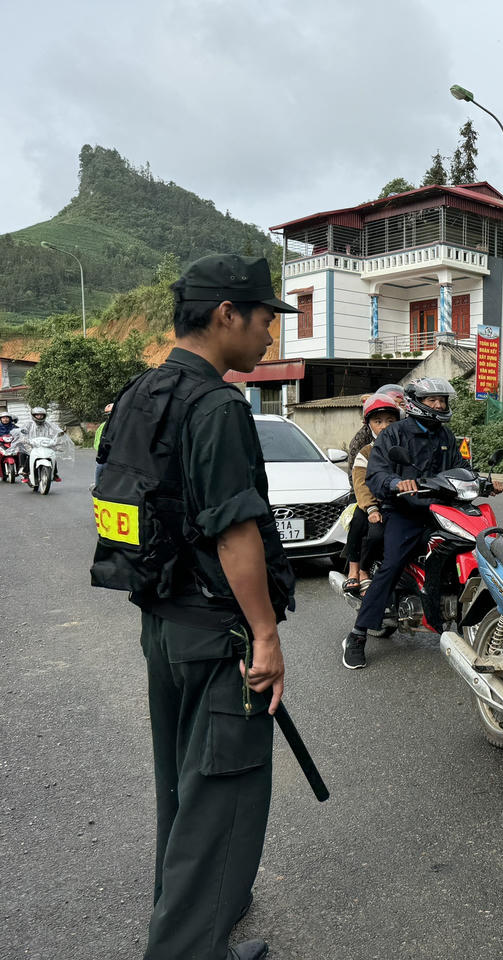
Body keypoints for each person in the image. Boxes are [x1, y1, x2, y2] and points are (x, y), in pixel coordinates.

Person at [94, 253, 297, 960]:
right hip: (219, 638)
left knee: (182, 792)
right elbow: (235, 530)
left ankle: (193, 929)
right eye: (266, 317)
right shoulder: (216, 405)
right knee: (222, 798)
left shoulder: (140, 393)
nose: (271, 333)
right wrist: (265, 638)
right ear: (225, 315)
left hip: (164, 625)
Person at [342, 378, 502, 669]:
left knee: (480, 543)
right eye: (433, 400)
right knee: (391, 565)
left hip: (442, 509)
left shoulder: (446, 437)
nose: (439, 405)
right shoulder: (394, 435)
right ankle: (357, 634)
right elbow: (376, 475)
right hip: (404, 512)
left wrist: (484, 482)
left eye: (442, 400)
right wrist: (395, 482)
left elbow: (461, 469)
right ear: (416, 403)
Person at [341, 393, 400, 596]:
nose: (384, 426)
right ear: (369, 425)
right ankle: (358, 569)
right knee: (366, 526)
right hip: (368, 502)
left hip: (398, 504)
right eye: (378, 421)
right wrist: (372, 508)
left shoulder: (405, 448)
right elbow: (360, 483)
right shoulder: (365, 451)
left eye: (390, 421)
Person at [344, 383, 405, 480]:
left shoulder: (408, 433)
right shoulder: (362, 442)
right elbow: (355, 476)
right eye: (378, 421)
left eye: (401, 404)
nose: (384, 426)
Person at [18, 406, 66, 482]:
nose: (39, 417)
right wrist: (24, 438)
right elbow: (23, 431)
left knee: (51, 456)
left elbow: (56, 430)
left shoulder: (48, 424)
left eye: (41, 415)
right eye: (37, 415)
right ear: (33, 415)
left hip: (46, 444)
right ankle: (26, 473)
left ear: (44, 416)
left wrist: (60, 434)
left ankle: (54, 473)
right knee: (30, 455)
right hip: (33, 445)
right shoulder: (29, 424)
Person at [93, 403, 113, 485]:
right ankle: (97, 487)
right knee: (100, 467)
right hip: (106, 455)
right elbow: (98, 442)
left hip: (119, 456)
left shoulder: (124, 425)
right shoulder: (103, 426)